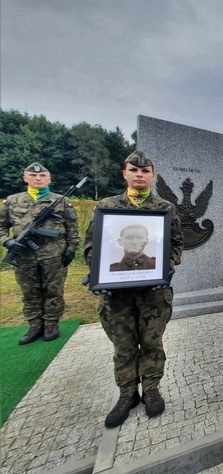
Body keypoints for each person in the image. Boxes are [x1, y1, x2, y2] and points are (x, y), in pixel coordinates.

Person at [83, 150, 184, 428]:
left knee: (152, 341)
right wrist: (102, 270)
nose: (139, 175)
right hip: (116, 295)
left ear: (153, 175)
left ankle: (151, 389)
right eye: (134, 170)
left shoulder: (165, 208)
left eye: (145, 171)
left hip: (153, 293)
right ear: (125, 174)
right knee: (123, 345)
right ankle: (127, 394)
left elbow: (176, 244)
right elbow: (91, 245)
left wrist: (165, 264)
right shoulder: (107, 206)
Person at [0, 162, 80, 344]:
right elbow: (1, 227)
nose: (38, 178)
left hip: (54, 255)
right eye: (33, 175)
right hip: (24, 256)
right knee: (29, 292)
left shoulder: (61, 201)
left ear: (49, 179)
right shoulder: (12, 201)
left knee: (54, 291)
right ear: (25, 178)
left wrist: (71, 250)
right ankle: (35, 325)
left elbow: (72, 229)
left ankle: (51, 323)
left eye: (43, 176)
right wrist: (7, 241)